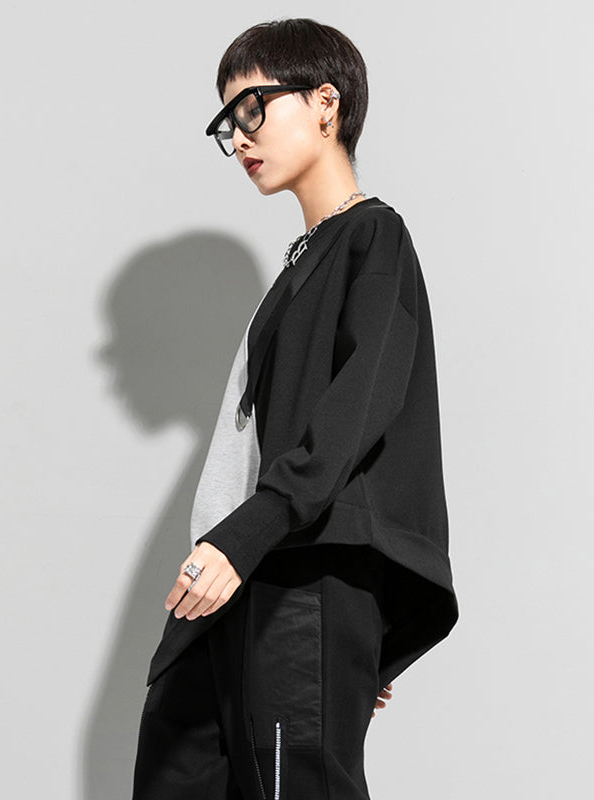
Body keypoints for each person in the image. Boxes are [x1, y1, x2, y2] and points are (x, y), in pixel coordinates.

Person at [131, 17, 459, 800]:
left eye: (253, 107)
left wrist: (344, 615)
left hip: (293, 575)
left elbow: (360, 406)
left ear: (325, 104)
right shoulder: (301, 267)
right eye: (228, 122)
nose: (240, 136)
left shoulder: (373, 237)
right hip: (242, 588)